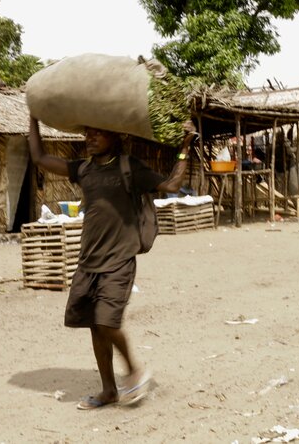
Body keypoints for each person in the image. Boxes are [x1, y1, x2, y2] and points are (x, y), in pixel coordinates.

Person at [28, 116, 197, 410]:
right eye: (87, 133)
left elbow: (172, 185)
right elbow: (39, 156)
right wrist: (33, 117)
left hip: (119, 260)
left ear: (115, 136)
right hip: (89, 260)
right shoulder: (83, 169)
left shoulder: (129, 168)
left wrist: (184, 146)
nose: (90, 138)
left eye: (97, 132)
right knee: (95, 326)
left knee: (107, 321)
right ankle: (108, 391)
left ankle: (133, 370)